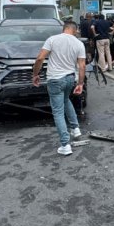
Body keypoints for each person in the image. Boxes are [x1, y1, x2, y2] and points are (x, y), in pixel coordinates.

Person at [32, 20, 86, 156]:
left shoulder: (52, 40)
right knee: (66, 100)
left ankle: (65, 144)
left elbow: (40, 58)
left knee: (57, 112)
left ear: (65, 28)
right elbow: (82, 66)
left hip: (55, 79)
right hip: (69, 79)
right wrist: (80, 84)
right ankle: (75, 128)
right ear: (74, 30)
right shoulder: (79, 44)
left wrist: (35, 74)